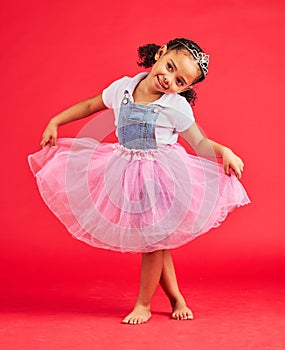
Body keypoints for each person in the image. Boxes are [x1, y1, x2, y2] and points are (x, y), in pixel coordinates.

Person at [28, 38, 250, 325]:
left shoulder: (176, 107)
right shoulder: (123, 87)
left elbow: (200, 141)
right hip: (125, 170)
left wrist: (226, 153)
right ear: (159, 54)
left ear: (185, 88)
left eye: (179, 81)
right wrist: (56, 121)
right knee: (157, 241)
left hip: (161, 176)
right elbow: (92, 104)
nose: (169, 79)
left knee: (154, 241)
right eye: (169, 67)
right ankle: (176, 298)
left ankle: (144, 304)